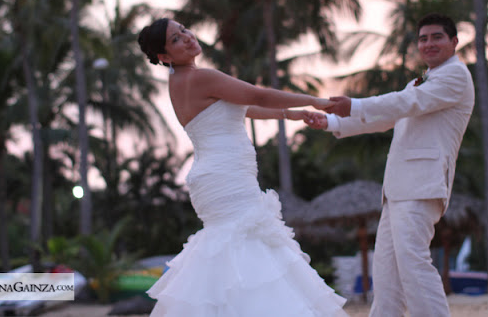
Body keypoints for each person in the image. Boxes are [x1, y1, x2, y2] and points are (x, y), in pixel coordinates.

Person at [137, 18, 349, 317]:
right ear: (164, 57)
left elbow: (242, 107)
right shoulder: (201, 78)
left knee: (231, 248)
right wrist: (316, 100)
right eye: (175, 39)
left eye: (184, 30)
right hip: (226, 176)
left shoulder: (181, 82)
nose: (186, 37)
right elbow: (256, 94)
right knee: (248, 247)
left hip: (214, 175)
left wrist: (292, 114)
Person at [305, 13, 475, 317]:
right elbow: (387, 118)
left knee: (413, 265)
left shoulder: (456, 76)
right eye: (423, 38)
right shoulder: (420, 82)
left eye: (437, 37)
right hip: (397, 189)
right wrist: (331, 121)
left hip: (422, 185)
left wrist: (355, 104)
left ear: (454, 42)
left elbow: (405, 103)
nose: (429, 43)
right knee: (387, 278)